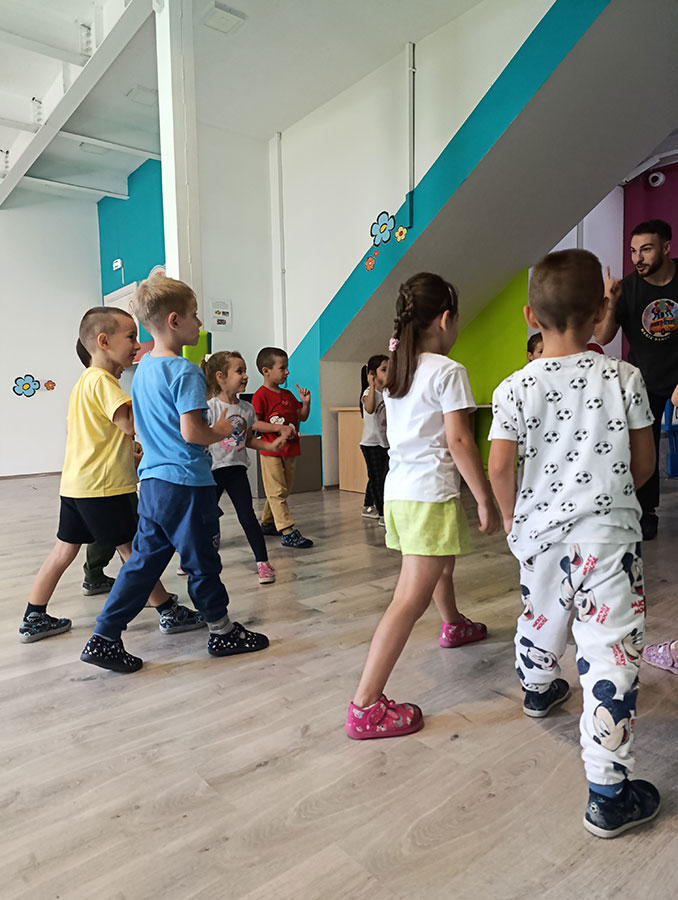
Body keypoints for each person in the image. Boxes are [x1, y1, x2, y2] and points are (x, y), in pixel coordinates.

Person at [488, 248, 659, 838]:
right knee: (611, 653)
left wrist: (513, 519)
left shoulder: (514, 387)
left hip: (539, 533)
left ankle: (538, 689)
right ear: (600, 313)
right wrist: (611, 494)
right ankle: (608, 795)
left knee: (540, 614)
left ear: (530, 317)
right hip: (608, 538)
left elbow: (500, 467)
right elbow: (644, 463)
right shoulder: (624, 377)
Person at [80, 275, 269, 673]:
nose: (199, 322)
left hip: (153, 484)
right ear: (174, 320)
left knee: (143, 563)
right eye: (194, 315)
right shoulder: (185, 371)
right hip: (186, 483)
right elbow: (193, 432)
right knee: (202, 560)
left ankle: (104, 637)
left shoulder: (144, 369)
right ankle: (221, 631)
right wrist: (223, 429)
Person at [345, 273, 499, 740]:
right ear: (446, 319)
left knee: (440, 563)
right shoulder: (448, 371)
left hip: (401, 491)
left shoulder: (399, 371)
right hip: (428, 494)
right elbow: (460, 440)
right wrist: (485, 497)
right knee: (408, 599)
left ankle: (453, 624)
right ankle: (365, 705)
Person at [19, 308, 201, 644]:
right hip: (103, 489)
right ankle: (167, 610)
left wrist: (131, 455)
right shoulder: (103, 381)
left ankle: (34, 615)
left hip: (77, 485)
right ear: (104, 341)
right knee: (134, 552)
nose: (137, 345)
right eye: (131, 337)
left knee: (64, 551)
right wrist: (157, 390)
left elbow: (101, 438)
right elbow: (131, 424)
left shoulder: (84, 383)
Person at [593, 219, 678, 540]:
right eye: (633, 251)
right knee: (643, 446)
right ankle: (646, 512)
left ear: (666, 248)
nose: (637, 258)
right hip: (645, 379)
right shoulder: (626, 288)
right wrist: (611, 300)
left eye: (646, 249)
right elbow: (602, 337)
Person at [201, 350, 287, 584]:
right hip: (212, 472)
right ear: (221, 377)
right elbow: (200, 438)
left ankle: (263, 562)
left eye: (245, 370)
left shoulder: (247, 409)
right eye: (239, 371)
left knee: (248, 516)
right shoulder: (210, 408)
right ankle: (195, 558)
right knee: (206, 518)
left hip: (237, 470)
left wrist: (271, 446)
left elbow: (248, 441)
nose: (245, 376)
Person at [252, 347, 314, 549]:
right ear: (266, 371)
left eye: (287, 367)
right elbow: (255, 424)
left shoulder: (287, 394)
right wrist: (279, 428)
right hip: (271, 451)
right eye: (282, 368)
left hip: (290, 450)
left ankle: (268, 523)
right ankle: (287, 530)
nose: (287, 372)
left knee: (282, 490)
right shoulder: (260, 395)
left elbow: (301, 416)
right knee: (277, 490)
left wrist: (305, 404)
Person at [359, 354, 389, 525]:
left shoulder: (388, 393)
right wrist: (371, 385)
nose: (388, 373)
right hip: (371, 443)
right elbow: (369, 409)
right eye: (383, 370)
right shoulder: (368, 393)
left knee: (378, 476)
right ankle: (383, 513)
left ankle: (367, 505)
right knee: (378, 479)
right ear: (372, 374)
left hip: (386, 442)